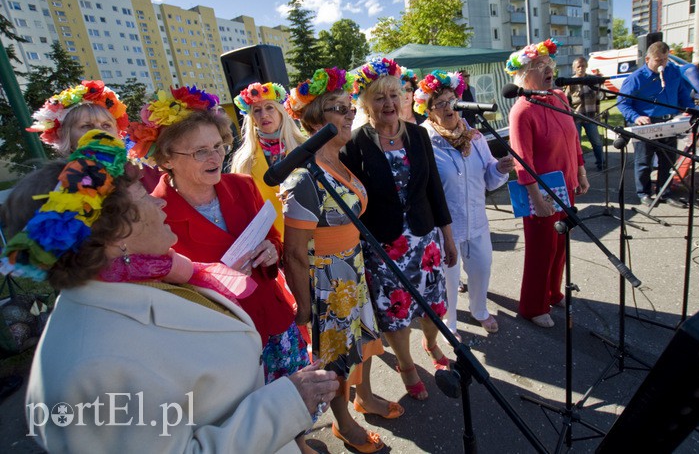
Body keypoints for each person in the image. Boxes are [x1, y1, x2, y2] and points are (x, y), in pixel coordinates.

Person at [5, 130, 338, 453]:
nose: (159, 203)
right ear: (114, 231)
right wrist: (285, 403)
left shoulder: (146, 277)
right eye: (142, 195)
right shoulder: (91, 366)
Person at [127, 87, 313, 453]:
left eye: (218, 146)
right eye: (200, 151)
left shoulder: (242, 186)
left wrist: (268, 251)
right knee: (249, 416)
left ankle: (300, 443)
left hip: (271, 314)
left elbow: (274, 239)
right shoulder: (154, 213)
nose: (214, 158)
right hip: (221, 335)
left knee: (292, 394)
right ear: (166, 158)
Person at [281, 67, 391, 454]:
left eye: (349, 107)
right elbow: (293, 252)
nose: (349, 114)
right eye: (337, 108)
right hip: (326, 282)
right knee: (335, 362)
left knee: (360, 344)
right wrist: (306, 308)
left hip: (352, 271)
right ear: (313, 118)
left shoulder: (341, 163)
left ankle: (366, 398)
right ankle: (344, 423)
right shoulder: (303, 179)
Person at [343, 58, 457, 400]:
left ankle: (432, 343)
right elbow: (353, 201)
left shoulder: (420, 135)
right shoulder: (355, 143)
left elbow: (434, 189)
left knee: (432, 303)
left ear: (404, 98)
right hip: (384, 245)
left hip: (424, 238)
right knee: (396, 311)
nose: (389, 104)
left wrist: (447, 236)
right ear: (365, 103)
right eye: (379, 98)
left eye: (394, 95)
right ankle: (406, 364)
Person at [420, 70, 514, 338]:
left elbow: (490, 179)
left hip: (478, 222)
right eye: (440, 103)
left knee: (482, 268)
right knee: (449, 280)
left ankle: (479, 310)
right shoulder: (424, 141)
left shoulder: (475, 137)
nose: (449, 107)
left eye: (452, 100)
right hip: (443, 228)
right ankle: (450, 323)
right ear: (429, 111)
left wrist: (500, 167)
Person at [506, 39, 589, 328]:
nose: (547, 69)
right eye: (538, 66)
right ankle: (533, 306)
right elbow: (522, 161)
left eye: (548, 64)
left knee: (561, 245)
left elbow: (573, 137)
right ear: (523, 75)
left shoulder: (559, 97)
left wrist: (580, 171)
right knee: (542, 249)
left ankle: (554, 292)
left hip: (566, 186)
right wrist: (537, 200)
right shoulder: (522, 110)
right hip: (541, 193)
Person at [619, 41, 694, 207]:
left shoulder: (673, 72)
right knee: (644, 162)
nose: (663, 64)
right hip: (647, 125)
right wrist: (636, 117)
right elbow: (623, 103)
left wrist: (690, 110)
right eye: (658, 60)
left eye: (666, 59)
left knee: (668, 160)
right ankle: (643, 193)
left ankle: (665, 192)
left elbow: (683, 93)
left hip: (670, 122)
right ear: (648, 59)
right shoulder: (636, 78)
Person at [229, 81, 306, 239]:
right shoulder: (243, 159)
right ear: (251, 118)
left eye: (269, 107)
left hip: (310, 236)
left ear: (281, 112)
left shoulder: (304, 147)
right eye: (257, 110)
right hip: (271, 242)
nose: (263, 115)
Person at [28, 80, 128, 156]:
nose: (100, 131)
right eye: (86, 126)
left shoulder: (133, 174)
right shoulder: (58, 180)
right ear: (63, 134)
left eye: (106, 125)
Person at [566, 56, 606, 171]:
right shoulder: (570, 82)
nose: (581, 68)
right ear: (574, 68)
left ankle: (601, 163)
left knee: (596, 141)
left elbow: (599, 96)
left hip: (591, 116)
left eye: (583, 66)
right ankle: (580, 166)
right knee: (577, 144)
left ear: (586, 67)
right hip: (576, 117)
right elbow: (567, 100)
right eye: (578, 66)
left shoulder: (592, 80)